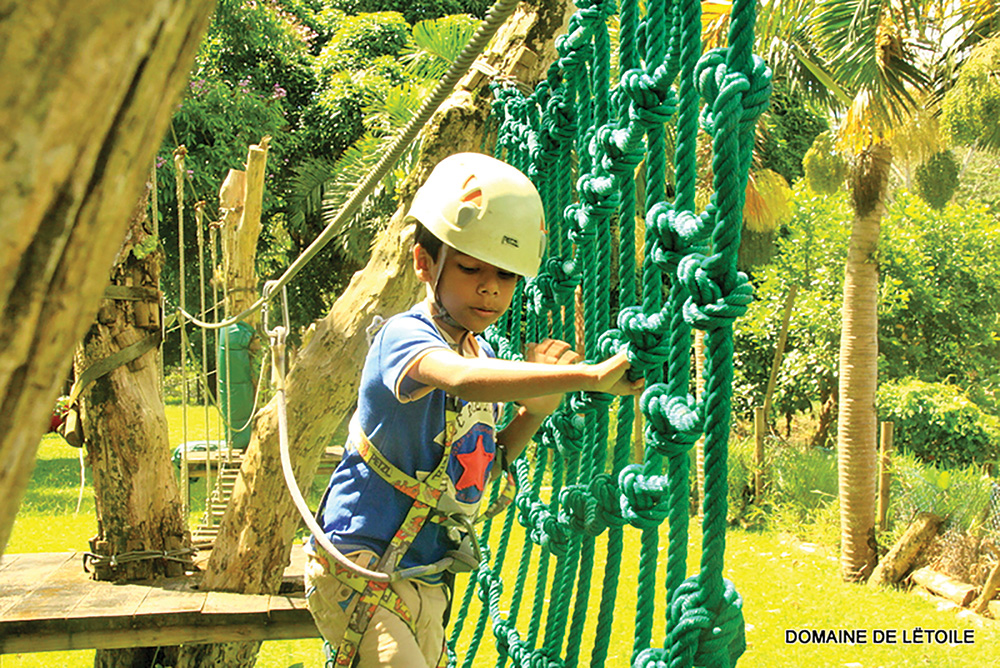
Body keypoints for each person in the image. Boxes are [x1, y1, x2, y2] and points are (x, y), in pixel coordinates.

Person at [304, 152, 642, 668]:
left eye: (506, 275)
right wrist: (589, 377)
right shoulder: (405, 336)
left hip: (424, 578)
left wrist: (535, 412)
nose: (490, 287)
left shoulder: (479, 354)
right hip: (359, 566)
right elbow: (460, 378)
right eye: (469, 268)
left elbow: (484, 467)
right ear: (424, 263)